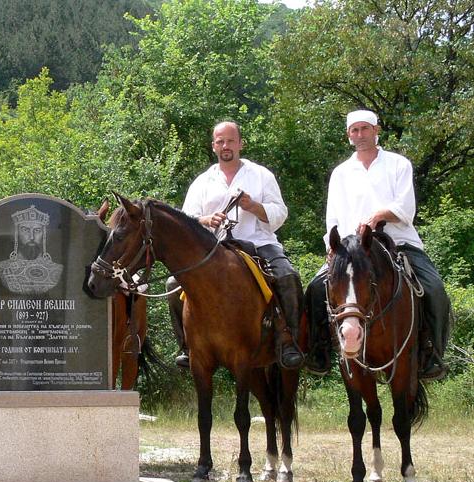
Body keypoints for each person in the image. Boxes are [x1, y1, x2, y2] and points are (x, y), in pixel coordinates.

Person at [304, 110, 451, 381]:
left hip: (398, 242)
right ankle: (320, 350)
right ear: (348, 135)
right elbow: (332, 217)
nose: (360, 135)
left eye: (365, 129)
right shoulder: (341, 173)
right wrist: (332, 249)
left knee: (434, 288)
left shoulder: (398, 164)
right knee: (314, 289)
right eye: (354, 130)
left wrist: (378, 216)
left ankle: (431, 352)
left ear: (376, 130)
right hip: (350, 251)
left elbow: (406, 207)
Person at [169, 121, 305, 370]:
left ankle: (288, 341)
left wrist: (253, 206)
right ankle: (188, 346)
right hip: (215, 249)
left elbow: (280, 212)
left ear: (241, 143)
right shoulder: (202, 181)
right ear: (213, 146)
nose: (225, 146)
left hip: (259, 243)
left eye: (230, 141)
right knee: (172, 285)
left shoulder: (262, 175)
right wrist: (206, 220)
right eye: (220, 141)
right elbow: (186, 221)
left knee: (288, 276)